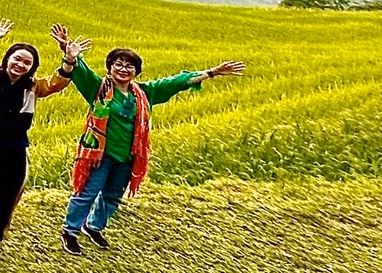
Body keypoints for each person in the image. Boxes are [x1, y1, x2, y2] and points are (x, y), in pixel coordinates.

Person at [55, 24, 246, 255]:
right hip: (100, 154)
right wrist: (68, 51)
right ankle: (70, 231)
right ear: (110, 68)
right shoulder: (98, 88)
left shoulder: (144, 93)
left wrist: (212, 72)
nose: (123, 69)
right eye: (118, 64)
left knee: (113, 195)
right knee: (87, 192)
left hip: (128, 155)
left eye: (130, 66)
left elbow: (175, 82)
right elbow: (80, 70)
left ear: (136, 72)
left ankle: (93, 226)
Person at [0, 19, 76, 258]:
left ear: (32, 68)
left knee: (7, 193)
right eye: (17, 59)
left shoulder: (33, 86)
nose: (20, 65)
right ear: (7, 59)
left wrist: (69, 59)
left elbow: (56, 83)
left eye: (27, 62)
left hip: (14, 148)